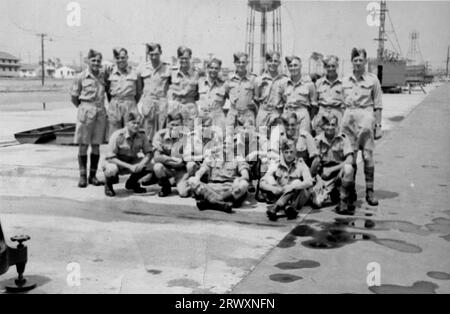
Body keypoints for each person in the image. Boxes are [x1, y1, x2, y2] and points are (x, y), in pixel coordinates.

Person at [341, 48, 383, 206]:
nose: (358, 63)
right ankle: (351, 192)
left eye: (361, 60)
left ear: (365, 61)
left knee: (367, 157)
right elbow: (340, 103)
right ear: (351, 62)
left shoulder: (373, 80)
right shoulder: (345, 80)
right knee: (350, 158)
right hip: (348, 121)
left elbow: (378, 105)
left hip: (366, 120)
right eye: (355, 60)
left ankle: (370, 192)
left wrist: (378, 125)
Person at [70, 49, 107, 188]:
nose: (96, 63)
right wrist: (83, 109)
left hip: (100, 113)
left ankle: (93, 176)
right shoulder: (80, 77)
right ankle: (82, 176)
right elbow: (74, 97)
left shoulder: (103, 77)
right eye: (93, 60)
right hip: (85, 111)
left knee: (96, 145)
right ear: (88, 61)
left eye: (98, 60)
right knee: (83, 145)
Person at [188, 137, 250, 213]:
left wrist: (238, 180)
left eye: (229, 144)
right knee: (192, 180)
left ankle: (211, 202)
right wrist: (197, 176)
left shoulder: (238, 159)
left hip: (229, 190)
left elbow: (246, 176)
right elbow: (202, 170)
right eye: (224, 143)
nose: (226, 146)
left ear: (233, 146)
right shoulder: (213, 157)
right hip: (211, 188)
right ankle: (220, 204)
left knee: (244, 184)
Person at [310, 113, 355, 213]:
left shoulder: (343, 138)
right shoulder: (317, 141)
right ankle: (331, 193)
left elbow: (350, 159)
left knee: (349, 168)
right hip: (324, 177)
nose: (330, 127)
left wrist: (332, 169)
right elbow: (312, 165)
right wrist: (318, 180)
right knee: (317, 203)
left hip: (338, 173)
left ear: (336, 126)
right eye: (327, 124)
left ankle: (343, 201)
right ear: (323, 126)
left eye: (333, 125)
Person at [261, 139, 313, 221]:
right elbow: (262, 182)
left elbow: (309, 182)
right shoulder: (277, 164)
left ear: (295, 152)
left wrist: (292, 187)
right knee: (271, 180)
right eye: (286, 152)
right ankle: (288, 208)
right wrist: (274, 188)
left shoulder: (300, 163)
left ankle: (276, 207)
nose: (289, 155)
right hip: (282, 193)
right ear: (282, 152)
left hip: (299, 197)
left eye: (291, 152)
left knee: (297, 182)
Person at [102, 112, 153, 197]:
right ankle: (108, 185)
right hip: (116, 162)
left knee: (151, 165)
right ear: (127, 123)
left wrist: (141, 164)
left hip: (131, 160)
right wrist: (129, 167)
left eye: (138, 123)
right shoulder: (117, 135)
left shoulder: (142, 135)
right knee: (111, 169)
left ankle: (132, 183)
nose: (136, 126)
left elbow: (148, 153)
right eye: (133, 123)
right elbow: (110, 158)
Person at [152, 112, 197, 197]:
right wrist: (173, 161)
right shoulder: (160, 135)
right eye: (172, 124)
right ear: (167, 124)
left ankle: (189, 185)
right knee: (157, 167)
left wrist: (182, 160)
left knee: (183, 193)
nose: (175, 128)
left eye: (178, 125)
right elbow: (156, 157)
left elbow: (189, 157)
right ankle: (166, 187)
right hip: (167, 169)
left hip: (181, 170)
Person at [137, 43, 172, 143]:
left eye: (156, 54)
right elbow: (139, 89)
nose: (153, 57)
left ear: (161, 53)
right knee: (147, 132)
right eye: (151, 54)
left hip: (162, 103)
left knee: (161, 132)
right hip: (148, 103)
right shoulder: (142, 68)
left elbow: (171, 86)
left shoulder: (167, 68)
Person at [106, 47, 142, 139]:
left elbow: (139, 91)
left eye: (123, 57)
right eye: (117, 58)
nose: (120, 60)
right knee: (115, 134)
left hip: (130, 103)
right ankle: (115, 153)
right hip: (115, 105)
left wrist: (130, 102)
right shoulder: (109, 72)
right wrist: (114, 102)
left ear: (127, 57)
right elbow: (108, 91)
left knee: (131, 132)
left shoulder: (135, 72)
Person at [280, 56, 317, 134]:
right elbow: (283, 100)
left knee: (302, 141)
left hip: (302, 114)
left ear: (300, 66)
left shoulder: (309, 84)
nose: (293, 68)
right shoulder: (284, 84)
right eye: (290, 66)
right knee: (286, 141)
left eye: (295, 65)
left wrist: (307, 118)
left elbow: (314, 105)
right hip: (288, 114)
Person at [168, 46, 199, 129]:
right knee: (175, 136)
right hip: (175, 109)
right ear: (178, 58)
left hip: (190, 108)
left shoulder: (196, 73)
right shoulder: (172, 72)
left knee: (190, 135)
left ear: (190, 58)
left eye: (186, 58)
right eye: (181, 58)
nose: (184, 61)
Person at [312, 55, 345, 135]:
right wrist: (313, 120)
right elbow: (314, 104)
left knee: (336, 142)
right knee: (320, 141)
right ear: (325, 67)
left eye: (333, 66)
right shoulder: (318, 83)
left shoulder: (343, 83)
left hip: (337, 114)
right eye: (328, 66)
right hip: (322, 114)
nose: (331, 69)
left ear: (337, 66)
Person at [224, 52, 258, 128]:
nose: (241, 64)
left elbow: (257, 97)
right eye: (238, 62)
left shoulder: (253, 79)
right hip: (233, 114)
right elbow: (226, 94)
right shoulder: (229, 78)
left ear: (247, 63)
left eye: (243, 62)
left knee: (249, 138)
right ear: (235, 63)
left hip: (248, 114)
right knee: (229, 138)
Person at [255, 51, 287, 128]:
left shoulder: (284, 80)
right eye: (270, 61)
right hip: (263, 113)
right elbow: (256, 100)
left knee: (275, 139)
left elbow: (286, 101)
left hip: (277, 114)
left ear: (279, 62)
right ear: (266, 62)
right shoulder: (258, 80)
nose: (273, 63)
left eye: (275, 61)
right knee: (261, 138)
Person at [197, 58, 227, 131]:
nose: (213, 70)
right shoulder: (200, 82)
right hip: (202, 117)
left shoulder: (224, 85)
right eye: (211, 68)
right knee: (200, 141)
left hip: (218, 118)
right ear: (207, 68)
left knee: (219, 141)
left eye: (216, 68)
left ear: (219, 69)